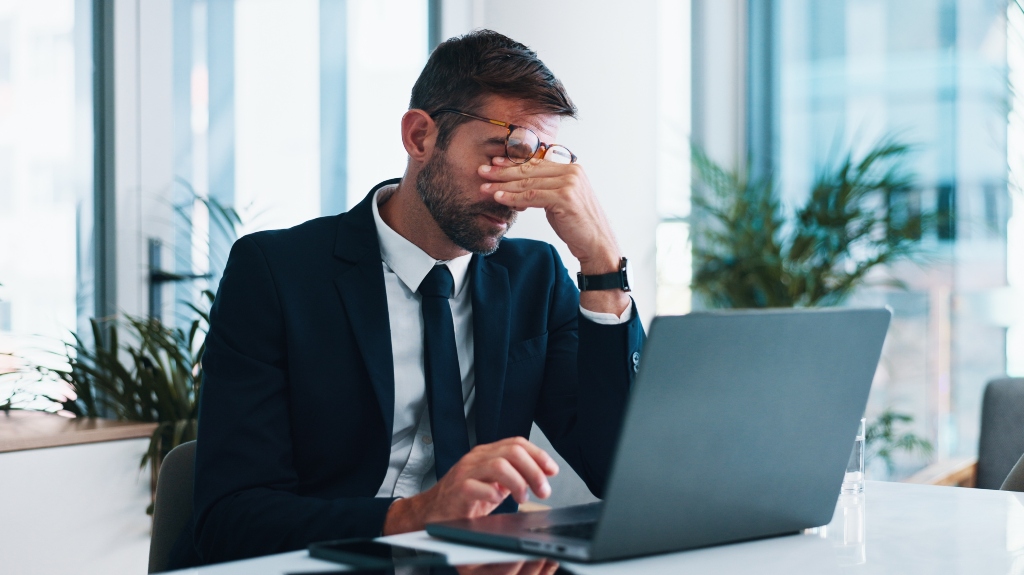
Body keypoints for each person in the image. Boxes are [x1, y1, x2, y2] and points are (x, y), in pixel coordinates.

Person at [191, 29, 644, 565]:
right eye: (506, 152)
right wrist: (416, 515)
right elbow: (230, 518)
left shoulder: (535, 278)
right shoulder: (276, 273)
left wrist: (600, 264)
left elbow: (621, 472)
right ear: (420, 137)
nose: (517, 192)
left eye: (538, 163)